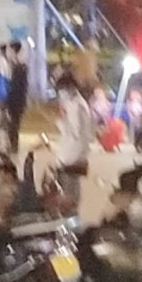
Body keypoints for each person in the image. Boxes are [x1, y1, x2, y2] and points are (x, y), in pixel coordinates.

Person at [48, 67, 94, 209]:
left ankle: (70, 216)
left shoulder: (75, 105)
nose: (60, 94)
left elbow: (75, 132)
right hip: (76, 153)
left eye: (61, 90)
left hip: (72, 155)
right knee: (72, 190)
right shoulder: (77, 103)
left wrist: (59, 120)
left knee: (68, 193)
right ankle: (72, 215)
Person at [0, 39, 30, 145]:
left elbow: (19, 85)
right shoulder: (18, 66)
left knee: (12, 123)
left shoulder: (19, 67)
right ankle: (12, 144)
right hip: (15, 99)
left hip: (15, 99)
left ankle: (12, 144)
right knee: (11, 123)